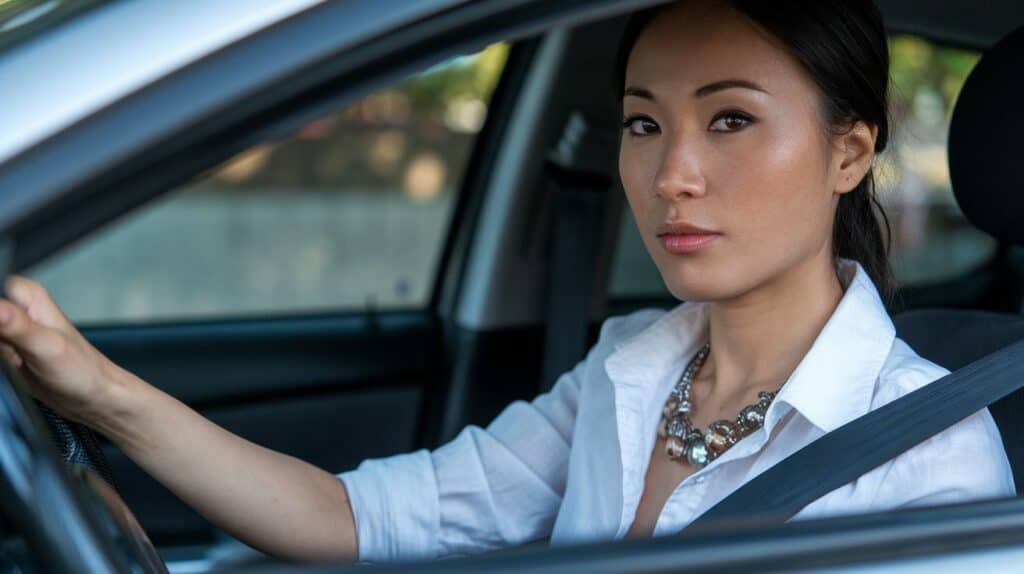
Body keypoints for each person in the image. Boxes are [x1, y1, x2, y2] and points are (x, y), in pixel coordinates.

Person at [0, 0, 1013, 565]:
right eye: (644, 123)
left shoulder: (929, 454)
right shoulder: (629, 368)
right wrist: (98, 391)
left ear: (849, 152)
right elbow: (361, 521)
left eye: (731, 119)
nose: (673, 176)